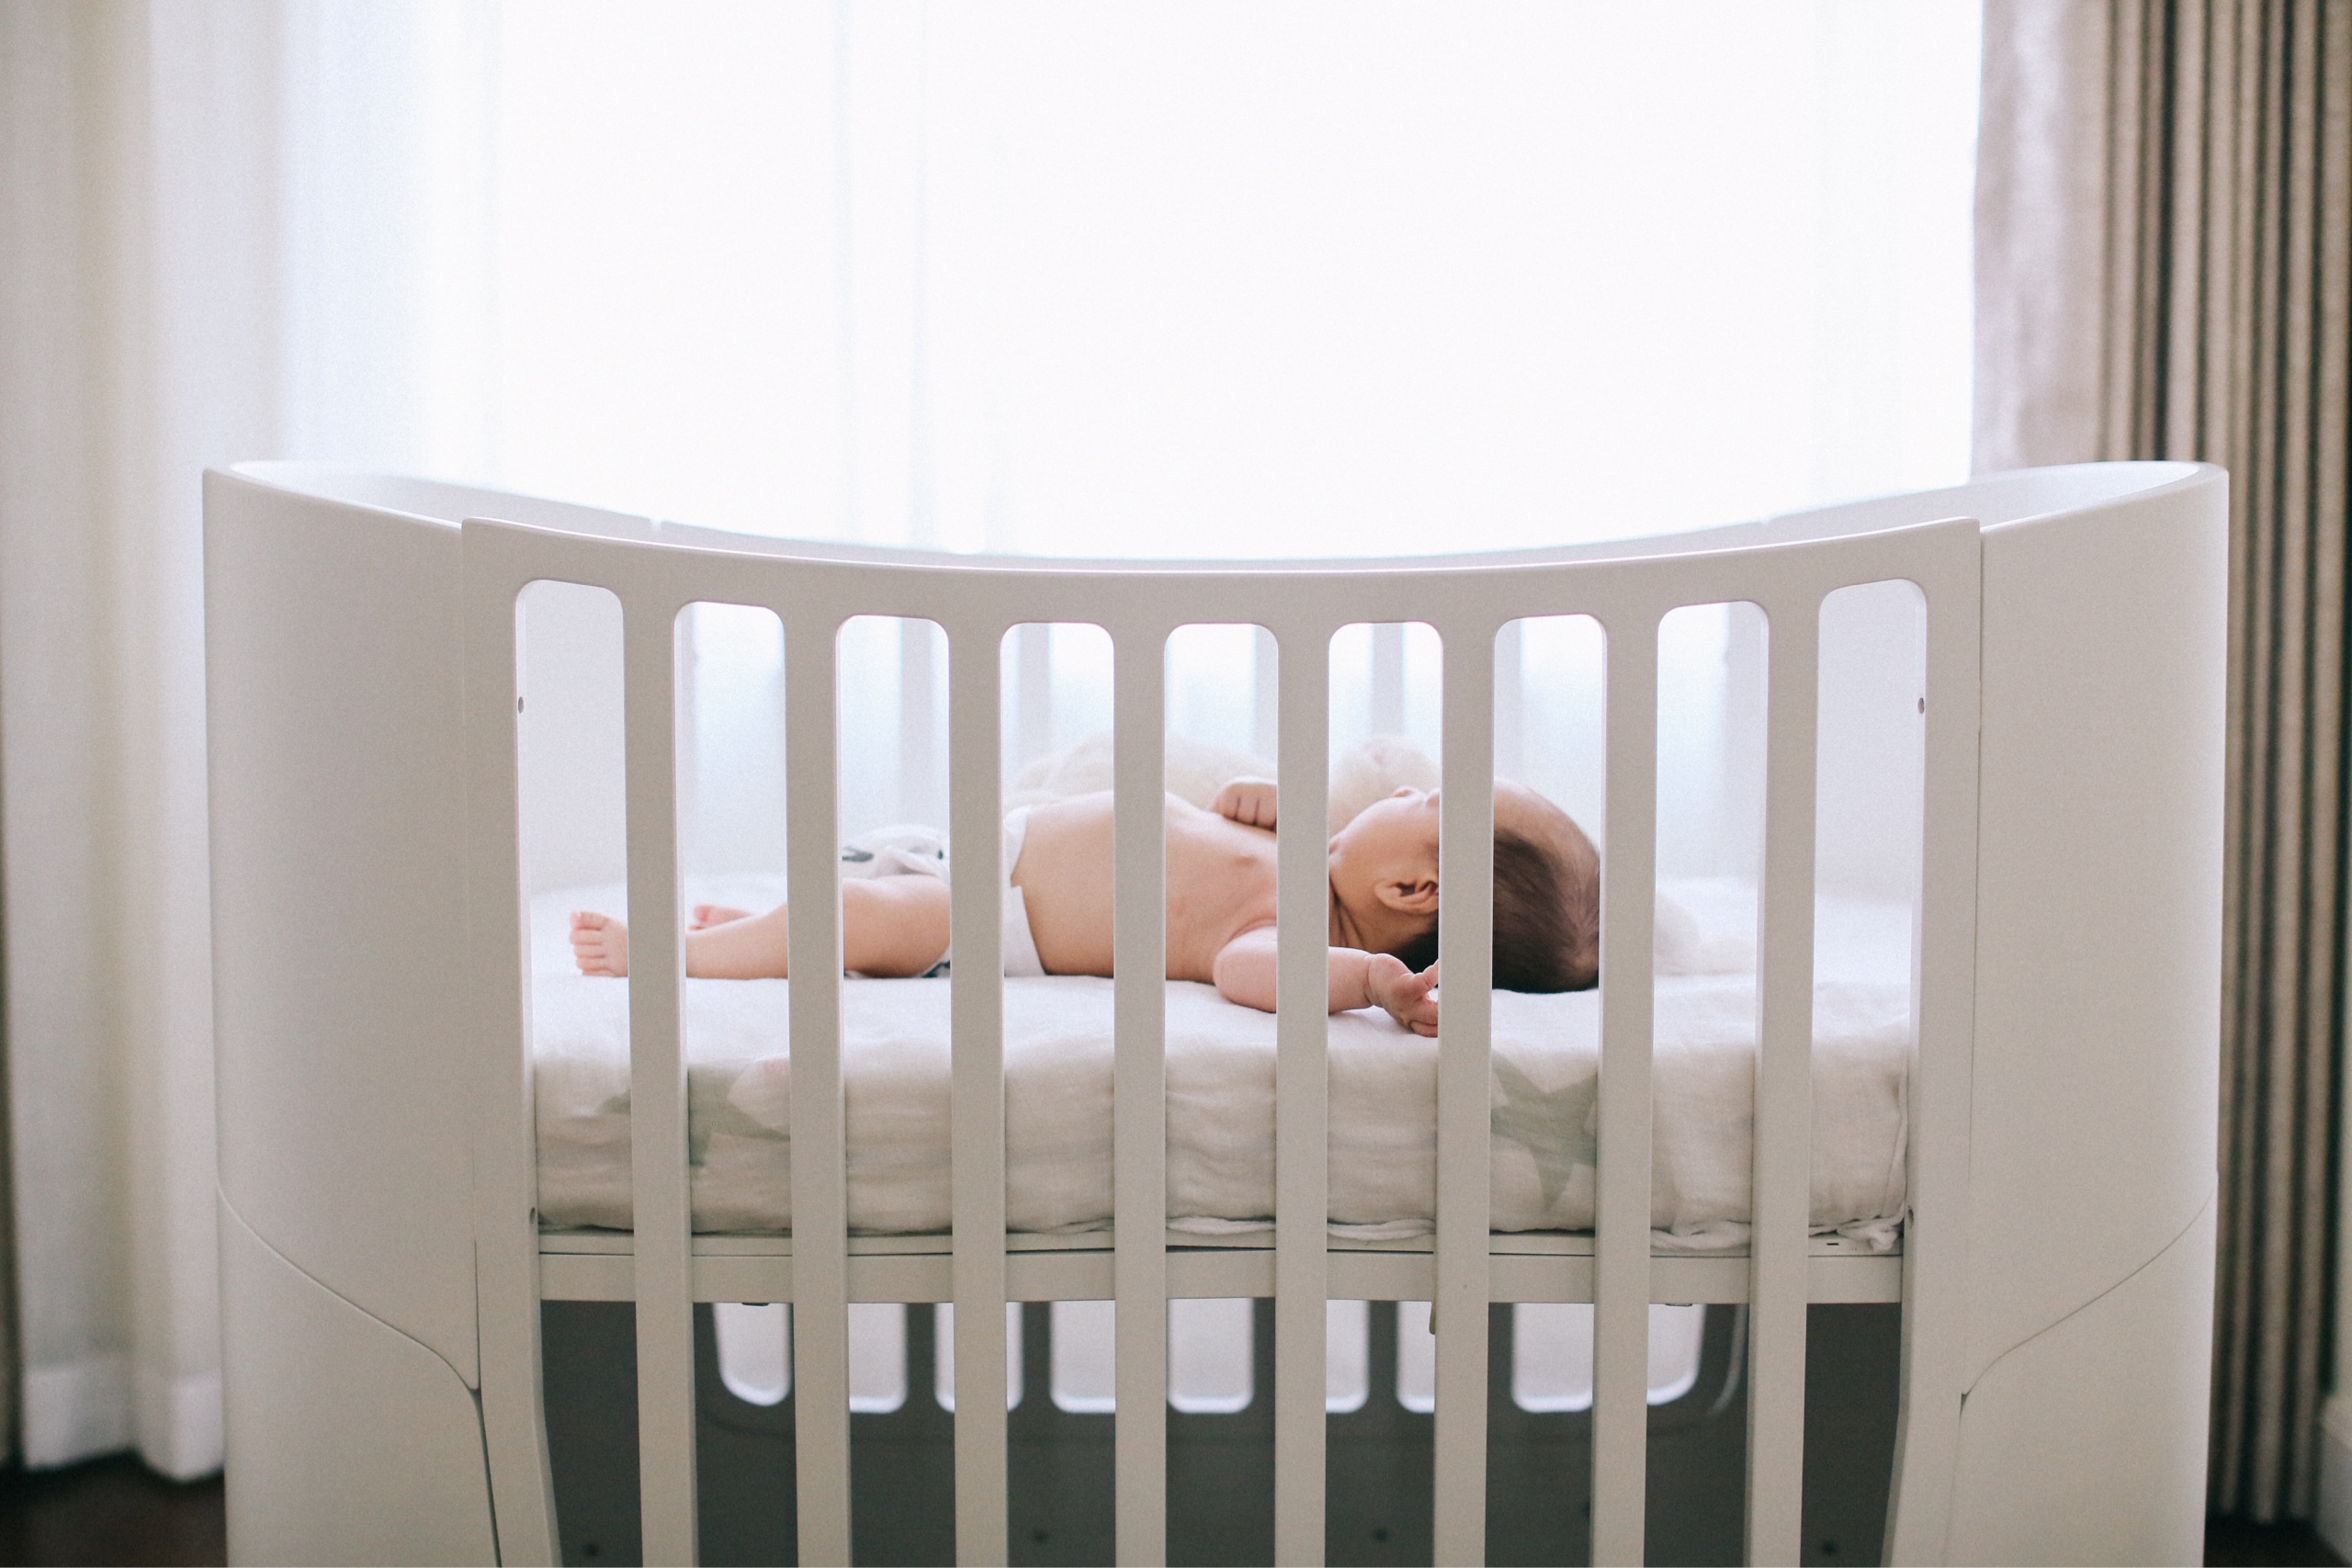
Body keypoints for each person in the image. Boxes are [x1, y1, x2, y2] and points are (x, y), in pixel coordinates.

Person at [570, 777, 1599, 1036]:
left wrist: (1370, 981)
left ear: (1410, 891)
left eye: (1426, 800)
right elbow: (1218, 817)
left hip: (994, 920)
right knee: (852, 897)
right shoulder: (1307, 853)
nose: (1405, 786)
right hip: (985, 850)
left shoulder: (1291, 933)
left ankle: (677, 956)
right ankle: (753, 936)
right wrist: (1258, 800)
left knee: (851, 914)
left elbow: (1252, 975)